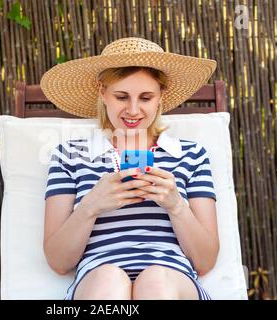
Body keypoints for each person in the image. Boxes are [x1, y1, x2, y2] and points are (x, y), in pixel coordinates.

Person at [41, 37, 219, 300]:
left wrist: (176, 205)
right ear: (102, 92)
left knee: (156, 281)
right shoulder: (69, 156)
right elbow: (58, 262)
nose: (133, 110)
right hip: (98, 277)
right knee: (109, 279)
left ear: (161, 97)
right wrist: (92, 205)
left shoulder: (191, 155)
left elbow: (205, 262)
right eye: (121, 96)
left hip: (172, 278)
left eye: (146, 97)